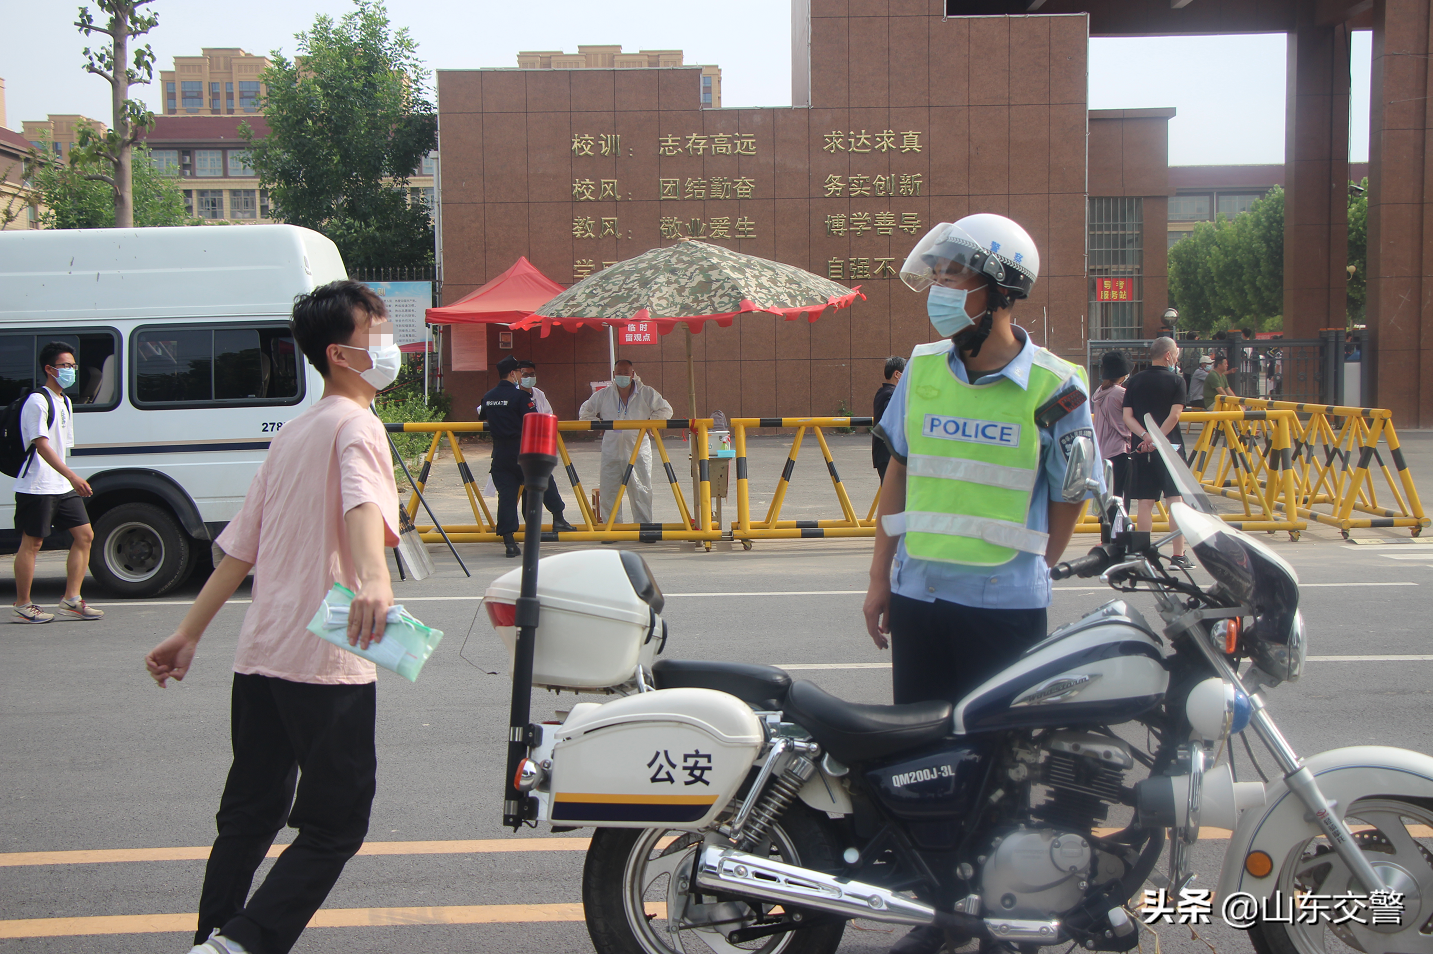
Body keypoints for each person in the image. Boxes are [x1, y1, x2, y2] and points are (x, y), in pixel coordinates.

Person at [866, 214, 1102, 954]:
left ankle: (1000, 918)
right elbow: (898, 470)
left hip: (1003, 611)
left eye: (951, 275)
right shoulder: (924, 369)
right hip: (920, 600)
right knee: (924, 771)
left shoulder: (1056, 388)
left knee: (1002, 770)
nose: (937, 290)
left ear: (999, 291)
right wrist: (878, 578)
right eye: (935, 273)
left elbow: (1070, 493)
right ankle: (940, 920)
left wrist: (1037, 562)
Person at [144, 280, 400, 954]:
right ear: (341, 354)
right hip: (323, 659)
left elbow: (237, 549)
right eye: (377, 330)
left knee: (250, 815)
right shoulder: (356, 425)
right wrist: (374, 578)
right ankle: (241, 945)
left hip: (261, 656)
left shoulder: (292, 434)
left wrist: (187, 632)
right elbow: (361, 504)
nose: (390, 343)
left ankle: (212, 935)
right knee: (335, 825)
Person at [12, 341, 102, 623]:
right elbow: (41, 445)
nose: (71, 370)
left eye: (73, 365)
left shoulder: (64, 400)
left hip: (60, 485)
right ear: (49, 369)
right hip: (37, 485)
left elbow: (62, 445)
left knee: (85, 536)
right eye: (65, 366)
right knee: (33, 543)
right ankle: (23, 604)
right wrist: (73, 476)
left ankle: (72, 599)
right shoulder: (38, 401)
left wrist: (67, 479)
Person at [1122, 336, 1191, 569]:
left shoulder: (1134, 382)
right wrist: (1159, 439)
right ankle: (1178, 555)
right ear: (1168, 356)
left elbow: (1127, 417)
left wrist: (1146, 437)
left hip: (1141, 448)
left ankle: (1143, 554)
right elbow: (1175, 415)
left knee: (1144, 502)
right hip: (1170, 449)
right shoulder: (1177, 381)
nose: (1177, 356)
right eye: (1176, 352)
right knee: (1175, 501)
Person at [578, 359, 673, 526]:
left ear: (633, 374)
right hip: (611, 450)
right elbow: (585, 412)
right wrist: (598, 424)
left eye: (626, 373)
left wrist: (651, 422)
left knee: (641, 490)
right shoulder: (605, 394)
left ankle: (644, 527)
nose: (622, 376)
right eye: (619, 373)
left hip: (637, 450)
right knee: (610, 492)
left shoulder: (646, 393)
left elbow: (666, 409)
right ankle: (612, 528)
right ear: (614, 375)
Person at [479, 356, 537, 557]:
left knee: (507, 497)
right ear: (513, 374)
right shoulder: (520, 397)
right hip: (522, 451)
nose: (521, 376)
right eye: (520, 372)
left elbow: (482, 415)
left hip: (500, 454)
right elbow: (534, 419)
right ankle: (538, 530)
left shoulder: (488, 396)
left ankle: (509, 542)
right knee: (534, 489)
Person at [513, 361, 574, 533]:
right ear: (516, 375)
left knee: (540, 482)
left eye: (532, 374)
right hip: (517, 447)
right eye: (525, 374)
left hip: (537, 447)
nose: (529, 378)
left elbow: (548, 414)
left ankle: (556, 517)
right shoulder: (511, 394)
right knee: (524, 487)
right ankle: (524, 526)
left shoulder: (538, 394)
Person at [1091, 350, 1132, 501]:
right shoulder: (1121, 393)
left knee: (1105, 497)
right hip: (1119, 449)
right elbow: (1124, 426)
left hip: (1102, 450)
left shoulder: (1099, 392)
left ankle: (1106, 524)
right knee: (1120, 497)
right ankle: (1119, 525)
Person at [872, 356, 905, 483]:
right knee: (897, 498)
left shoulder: (883, 392)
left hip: (884, 454)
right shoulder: (892, 394)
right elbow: (894, 420)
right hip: (890, 455)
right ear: (897, 374)